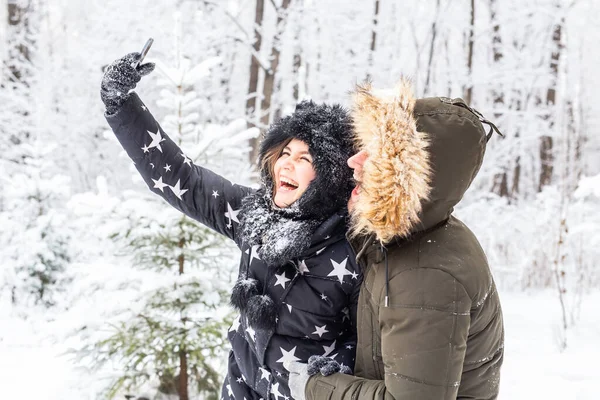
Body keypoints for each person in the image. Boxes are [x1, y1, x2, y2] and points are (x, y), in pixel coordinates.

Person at [100, 52, 361, 400]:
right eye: (284, 153)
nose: (287, 165)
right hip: (241, 389)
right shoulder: (254, 215)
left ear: (328, 175)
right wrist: (121, 104)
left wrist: (341, 364)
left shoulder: (354, 246)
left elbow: (372, 338)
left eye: (304, 159)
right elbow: (183, 179)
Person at [287, 79, 505, 400]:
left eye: (376, 154)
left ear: (410, 179)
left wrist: (315, 386)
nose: (354, 161)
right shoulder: (416, 235)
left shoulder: (425, 275)